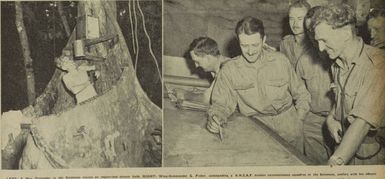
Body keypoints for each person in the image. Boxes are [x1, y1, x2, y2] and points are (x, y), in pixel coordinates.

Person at [207, 16, 311, 152]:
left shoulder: (280, 61)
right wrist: (216, 118)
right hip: (257, 128)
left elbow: (302, 94)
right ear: (238, 42)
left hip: (289, 124)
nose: (250, 51)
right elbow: (221, 104)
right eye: (244, 46)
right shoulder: (229, 70)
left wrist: (299, 119)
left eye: (255, 45)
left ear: (264, 40)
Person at [311, 3, 385, 165]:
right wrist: (330, 118)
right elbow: (340, 98)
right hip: (343, 144)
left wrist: (334, 164)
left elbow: (362, 123)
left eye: (324, 40)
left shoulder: (378, 64)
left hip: (370, 153)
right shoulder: (337, 63)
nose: (321, 48)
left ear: (345, 33)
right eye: (318, 41)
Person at [296, 6, 333, 164]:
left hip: (341, 122)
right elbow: (299, 94)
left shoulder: (340, 58)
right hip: (312, 123)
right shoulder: (304, 60)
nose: (314, 36)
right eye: (309, 31)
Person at [172, 37, 231, 105]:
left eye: (197, 61)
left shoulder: (226, 69)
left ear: (208, 58)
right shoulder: (221, 65)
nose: (196, 66)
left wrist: (185, 94)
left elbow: (208, 99)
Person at [280, 0, 313, 68]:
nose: (295, 24)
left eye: (300, 19)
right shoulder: (285, 43)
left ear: (308, 20)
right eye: (292, 19)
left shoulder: (316, 45)